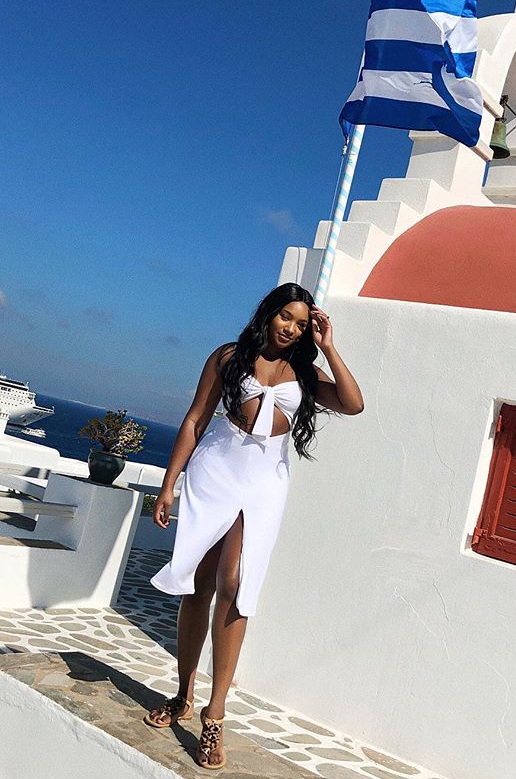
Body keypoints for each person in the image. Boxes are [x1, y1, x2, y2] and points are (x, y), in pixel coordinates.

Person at [142, 282, 364, 770]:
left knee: (236, 583)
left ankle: (215, 713)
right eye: (286, 317)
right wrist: (168, 483)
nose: (292, 329)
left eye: (302, 324)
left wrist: (329, 347)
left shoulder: (305, 372)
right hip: (217, 466)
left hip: (265, 479)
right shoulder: (229, 357)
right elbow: (195, 419)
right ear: (269, 313)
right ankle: (183, 694)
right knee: (198, 584)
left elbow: (353, 404)